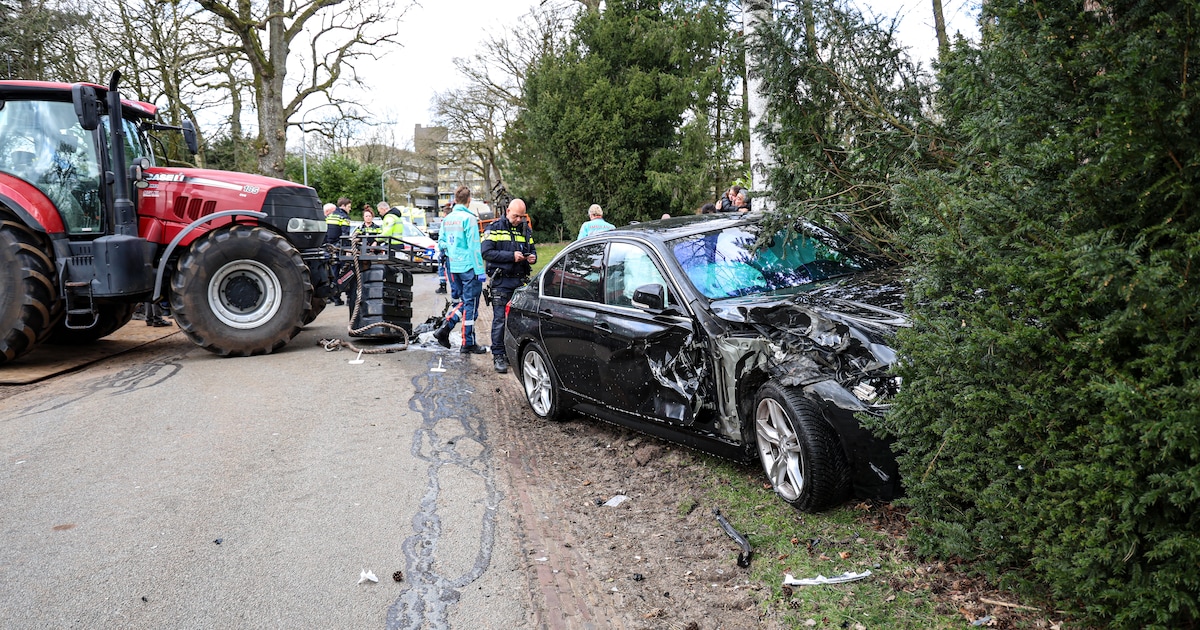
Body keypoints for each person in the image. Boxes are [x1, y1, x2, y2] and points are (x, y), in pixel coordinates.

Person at [481, 198, 536, 373]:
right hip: (501, 281)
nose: (519, 220)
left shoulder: (525, 230)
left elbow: (532, 249)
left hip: (519, 281)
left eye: (521, 216)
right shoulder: (494, 228)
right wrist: (511, 256)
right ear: (507, 212)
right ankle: (498, 355)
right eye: (516, 216)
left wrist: (533, 257)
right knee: (500, 320)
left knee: (519, 320)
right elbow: (486, 252)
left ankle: (512, 353)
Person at [432, 186, 487, 354]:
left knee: (464, 302)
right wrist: (480, 270)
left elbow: (441, 242)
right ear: (469, 200)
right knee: (471, 304)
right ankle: (464, 340)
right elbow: (474, 247)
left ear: (455, 200)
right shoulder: (469, 219)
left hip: (453, 267)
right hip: (469, 267)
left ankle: (447, 330)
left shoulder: (447, 219)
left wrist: (450, 252)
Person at [325, 198, 352, 305]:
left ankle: (335, 298)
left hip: (330, 248)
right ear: (344, 206)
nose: (350, 209)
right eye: (349, 207)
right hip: (340, 249)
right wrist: (347, 250)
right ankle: (349, 298)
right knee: (347, 272)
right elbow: (345, 235)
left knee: (333, 273)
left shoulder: (330, 216)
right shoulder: (344, 217)